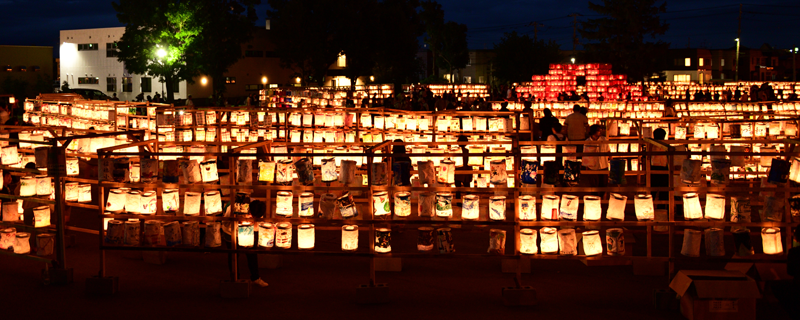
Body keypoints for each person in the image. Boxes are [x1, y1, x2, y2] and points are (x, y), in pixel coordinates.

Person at [222, 200, 268, 287]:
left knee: (252, 254)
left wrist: (251, 226)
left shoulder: (258, 209)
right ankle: (235, 278)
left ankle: (255, 278)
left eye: (254, 217)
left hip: (248, 232)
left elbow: (258, 226)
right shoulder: (233, 207)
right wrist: (238, 223)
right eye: (251, 214)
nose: (251, 217)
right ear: (249, 208)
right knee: (233, 255)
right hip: (230, 232)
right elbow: (225, 222)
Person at [583, 124, 609, 194]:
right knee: (593, 186)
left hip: (603, 165)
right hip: (592, 167)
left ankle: (602, 200)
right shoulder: (587, 141)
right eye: (598, 130)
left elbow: (608, 151)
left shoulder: (604, 139)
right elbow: (585, 154)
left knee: (603, 185)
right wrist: (586, 165)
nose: (600, 132)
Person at [651, 128, 669, 208]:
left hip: (653, 168)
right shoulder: (666, 145)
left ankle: (651, 206)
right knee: (663, 189)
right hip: (663, 168)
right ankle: (661, 207)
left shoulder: (651, 145)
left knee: (653, 189)